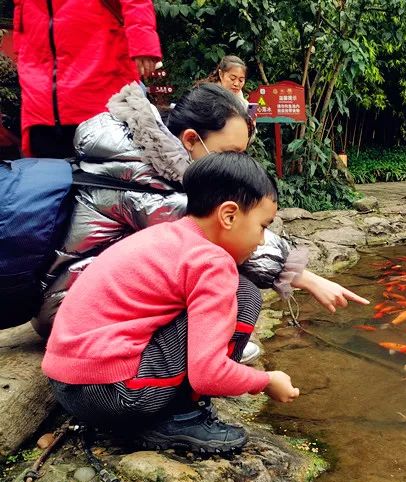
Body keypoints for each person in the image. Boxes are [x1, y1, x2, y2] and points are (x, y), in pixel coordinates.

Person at [34, 82, 368, 360]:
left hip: (81, 299)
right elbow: (220, 233)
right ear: (192, 139)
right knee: (237, 290)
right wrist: (307, 278)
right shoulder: (144, 179)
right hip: (72, 309)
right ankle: (187, 380)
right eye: (229, 154)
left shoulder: (151, 160)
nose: (235, 165)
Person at [43, 152, 298, 453]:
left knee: (236, 290)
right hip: (118, 395)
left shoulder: (167, 235)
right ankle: (182, 416)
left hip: (70, 387)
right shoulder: (210, 261)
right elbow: (208, 374)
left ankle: (157, 413)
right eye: (263, 226)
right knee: (245, 293)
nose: (261, 239)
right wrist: (265, 380)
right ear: (229, 215)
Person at [12, 0, 162, 158]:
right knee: (45, 173)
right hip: (40, 96)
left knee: (104, 175)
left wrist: (143, 40)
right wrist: (21, 54)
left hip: (99, 87)